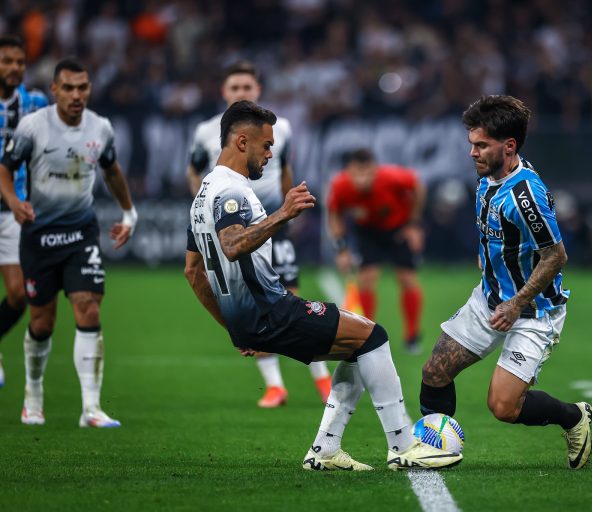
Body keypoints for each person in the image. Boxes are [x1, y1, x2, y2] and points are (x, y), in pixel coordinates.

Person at [185, 100, 462, 471]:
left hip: (251, 319)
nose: (271, 154)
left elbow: (193, 271)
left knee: (355, 344)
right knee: (374, 337)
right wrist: (283, 213)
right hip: (272, 310)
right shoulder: (230, 191)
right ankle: (404, 447)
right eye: (266, 146)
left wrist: (233, 328)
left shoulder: (202, 195)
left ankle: (325, 450)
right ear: (240, 142)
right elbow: (232, 246)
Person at [419, 95, 592, 470]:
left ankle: (573, 417)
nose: (473, 153)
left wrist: (516, 303)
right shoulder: (487, 176)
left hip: (532, 311)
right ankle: (436, 449)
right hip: (490, 300)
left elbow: (556, 255)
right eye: (472, 144)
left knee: (502, 407)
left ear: (509, 146)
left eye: (481, 145)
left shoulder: (525, 196)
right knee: (434, 371)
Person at [0, 59, 137, 427]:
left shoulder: (101, 128)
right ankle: (33, 394)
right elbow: (5, 168)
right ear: (54, 91)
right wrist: (13, 202)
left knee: (89, 308)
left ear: (89, 89)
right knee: (42, 322)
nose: (77, 95)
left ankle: (91, 409)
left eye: (83, 88)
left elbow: (111, 170)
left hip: (81, 234)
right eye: (69, 88)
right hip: (39, 237)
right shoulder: (33, 126)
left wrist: (129, 213)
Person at [187, 61, 329, 408]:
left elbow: (284, 168)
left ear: (257, 91)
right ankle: (275, 385)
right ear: (224, 92)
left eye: (246, 88)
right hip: (230, 223)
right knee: (254, 302)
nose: (240, 93)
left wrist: (286, 213)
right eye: (234, 88)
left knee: (291, 298)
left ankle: (323, 381)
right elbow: (194, 170)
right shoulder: (207, 132)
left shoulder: (280, 129)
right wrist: (200, 209)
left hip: (271, 222)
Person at [326, 148, 426, 354]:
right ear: (349, 172)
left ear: (375, 170)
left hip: (398, 229)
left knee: (407, 279)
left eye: (367, 173)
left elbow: (417, 185)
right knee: (366, 280)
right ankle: (367, 333)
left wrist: (414, 224)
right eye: (357, 174)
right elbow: (335, 215)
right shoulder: (340, 186)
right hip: (368, 232)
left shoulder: (392, 177)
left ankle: (412, 335)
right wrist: (341, 250)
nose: (362, 179)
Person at [0, 35, 48, 389]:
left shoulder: (35, 103)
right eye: (7, 61)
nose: (14, 68)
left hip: (14, 209)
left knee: (18, 294)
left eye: (19, 62)